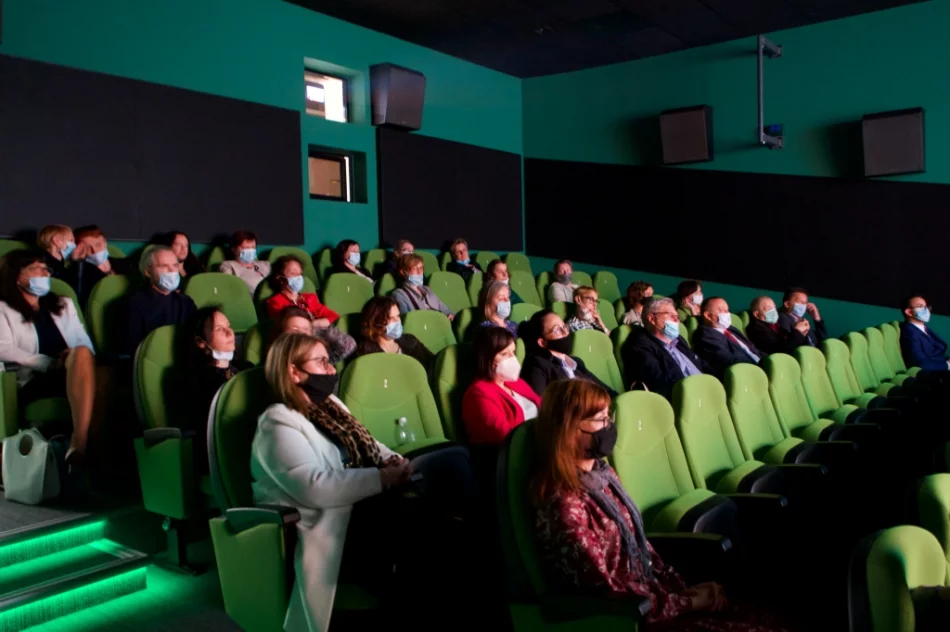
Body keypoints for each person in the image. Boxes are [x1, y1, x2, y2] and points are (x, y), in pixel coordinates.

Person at [533, 379, 792, 632]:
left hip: (660, 596)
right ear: (569, 429)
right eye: (600, 420)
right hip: (634, 617)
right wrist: (688, 602)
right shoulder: (564, 503)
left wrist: (683, 590)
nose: (609, 427)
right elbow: (609, 594)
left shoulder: (604, 475)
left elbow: (640, 545)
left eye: (609, 417)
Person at [251, 331, 414, 632]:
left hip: (364, 509)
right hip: (329, 525)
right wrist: (381, 478)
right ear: (293, 371)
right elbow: (315, 487)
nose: (332, 370)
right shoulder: (277, 422)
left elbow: (373, 446)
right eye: (322, 362)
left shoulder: (332, 405)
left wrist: (394, 461)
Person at [0, 249, 99, 463]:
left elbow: (83, 342)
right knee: (86, 361)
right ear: (17, 276)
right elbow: (4, 349)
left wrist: (69, 357)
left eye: (46, 269)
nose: (44, 274)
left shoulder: (63, 305)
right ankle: (81, 442)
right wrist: (50, 363)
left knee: (100, 368)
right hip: (35, 378)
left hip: (72, 370)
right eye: (35, 269)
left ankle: (85, 452)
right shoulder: (3, 308)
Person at [182, 306, 251, 471]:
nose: (230, 333)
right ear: (200, 342)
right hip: (222, 450)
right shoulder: (193, 379)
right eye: (220, 329)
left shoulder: (247, 368)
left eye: (229, 326)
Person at [621, 297, 713, 399]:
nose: (676, 320)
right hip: (685, 398)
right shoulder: (640, 345)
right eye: (671, 315)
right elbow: (660, 383)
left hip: (706, 391)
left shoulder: (679, 340)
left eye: (677, 316)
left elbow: (699, 363)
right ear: (652, 319)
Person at [462, 326, 540, 445]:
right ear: (486, 358)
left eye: (513, 352)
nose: (513, 358)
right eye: (504, 354)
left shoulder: (515, 381)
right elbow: (505, 436)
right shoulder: (478, 393)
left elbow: (543, 405)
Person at [520, 309, 617, 397]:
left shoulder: (576, 363)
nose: (565, 332)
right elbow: (542, 406)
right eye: (557, 330)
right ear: (542, 342)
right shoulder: (536, 364)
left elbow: (605, 390)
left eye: (563, 326)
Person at [123, 246, 197, 358]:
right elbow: (133, 347)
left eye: (175, 265)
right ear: (148, 272)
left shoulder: (186, 302)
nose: (172, 271)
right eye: (164, 266)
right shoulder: (133, 303)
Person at [691, 297, 763, 379]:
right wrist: (760, 367)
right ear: (708, 315)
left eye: (727, 310)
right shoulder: (705, 336)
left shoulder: (731, 329)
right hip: (743, 374)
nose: (727, 314)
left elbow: (752, 349)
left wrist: (767, 360)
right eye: (722, 310)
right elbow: (727, 360)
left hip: (760, 366)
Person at [354, 297, 433, 368]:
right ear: (375, 323)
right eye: (391, 318)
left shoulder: (410, 340)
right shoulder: (365, 352)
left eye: (398, 316)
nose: (397, 320)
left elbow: (434, 364)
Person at [64, 224, 129, 308]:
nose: (95, 251)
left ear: (105, 242)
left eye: (98, 245)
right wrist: (78, 263)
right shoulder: (81, 270)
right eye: (88, 248)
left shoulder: (122, 263)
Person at [267, 305, 355, 367]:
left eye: (306, 329)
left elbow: (349, 344)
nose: (302, 335)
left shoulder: (318, 356)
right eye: (295, 330)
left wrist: (318, 328)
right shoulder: (277, 363)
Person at [264, 255, 338, 325]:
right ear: (279, 278)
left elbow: (334, 317)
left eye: (300, 274)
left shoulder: (310, 298)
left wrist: (313, 324)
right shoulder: (275, 302)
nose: (299, 278)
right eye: (293, 273)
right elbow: (290, 325)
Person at [391, 254, 454, 320]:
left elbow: (445, 309)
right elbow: (407, 321)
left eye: (421, 268)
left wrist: (451, 315)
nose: (419, 272)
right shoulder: (399, 294)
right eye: (414, 268)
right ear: (403, 272)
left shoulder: (427, 290)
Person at [745, 296, 810, 355]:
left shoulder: (776, 326)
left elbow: (790, 341)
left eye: (774, 308)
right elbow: (779, 350)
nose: (774, 311)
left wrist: (802, 333)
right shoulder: (756, 330)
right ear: (756, 314)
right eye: (769, 308)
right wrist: (797, 331)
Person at [899, 296, 950, 371]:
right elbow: (919, 363)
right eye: (920, 306)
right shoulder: (909, 332)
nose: (926, 310)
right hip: (932, 375)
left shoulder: (923, 329)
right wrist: (947, 365)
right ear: (909, 312)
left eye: (926, 306)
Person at [218, 230, 271, 295]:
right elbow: (229, 287)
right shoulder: (228, 266)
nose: (250, 250)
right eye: (246, 248)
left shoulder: (265, 265)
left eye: (253, 247)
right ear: (234, 249)